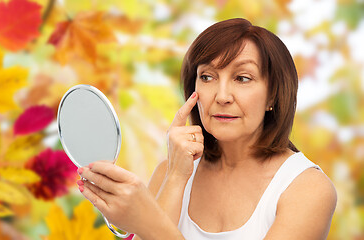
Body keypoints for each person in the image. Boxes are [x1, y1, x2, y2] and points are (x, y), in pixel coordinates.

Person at [76, 18, 337, 240]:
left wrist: (147, 223)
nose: (222, 96)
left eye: (242, 78)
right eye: (208, 77)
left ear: (273, 96)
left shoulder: (308, 189)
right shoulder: (170, 172)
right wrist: (176, 177)